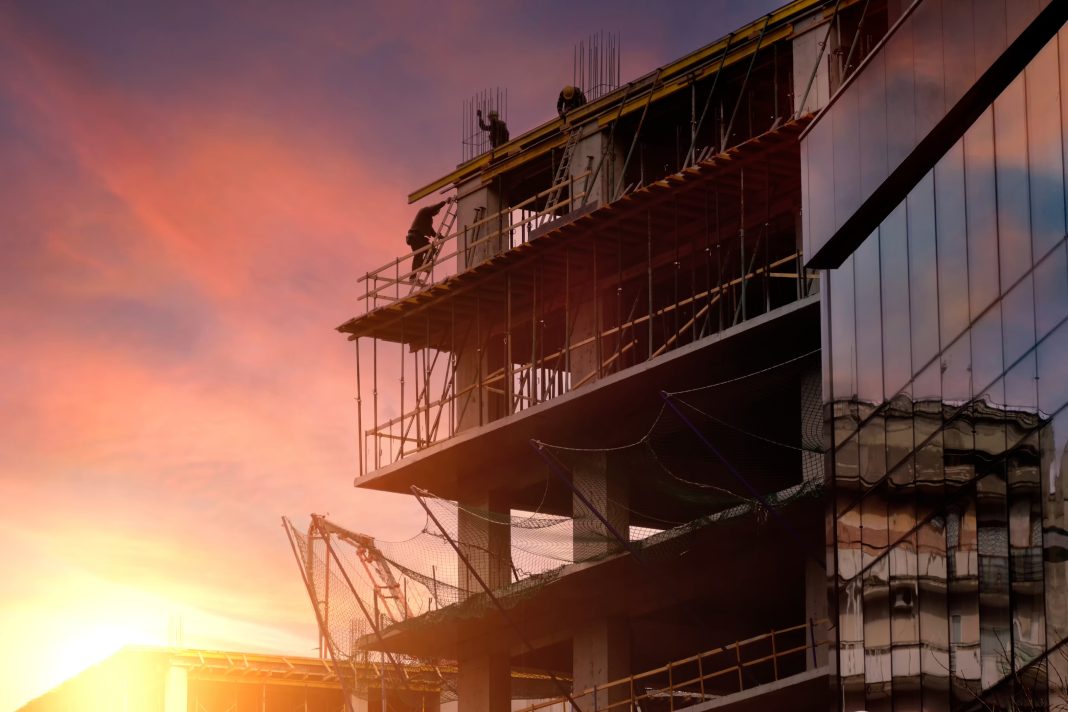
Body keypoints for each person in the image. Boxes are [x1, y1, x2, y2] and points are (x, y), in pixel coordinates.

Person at [406, 197, 453, 280]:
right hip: (416, 236)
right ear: (433, 210)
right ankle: (422, 267)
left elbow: (431, 231)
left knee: (422, 254)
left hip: (417, 238)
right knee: (425, 252)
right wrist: (444, 202)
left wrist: (440, 237)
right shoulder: (425, 211)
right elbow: (435, 207)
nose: (435, 214)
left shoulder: (428, 218)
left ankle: (416, 273)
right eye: (436, 213)